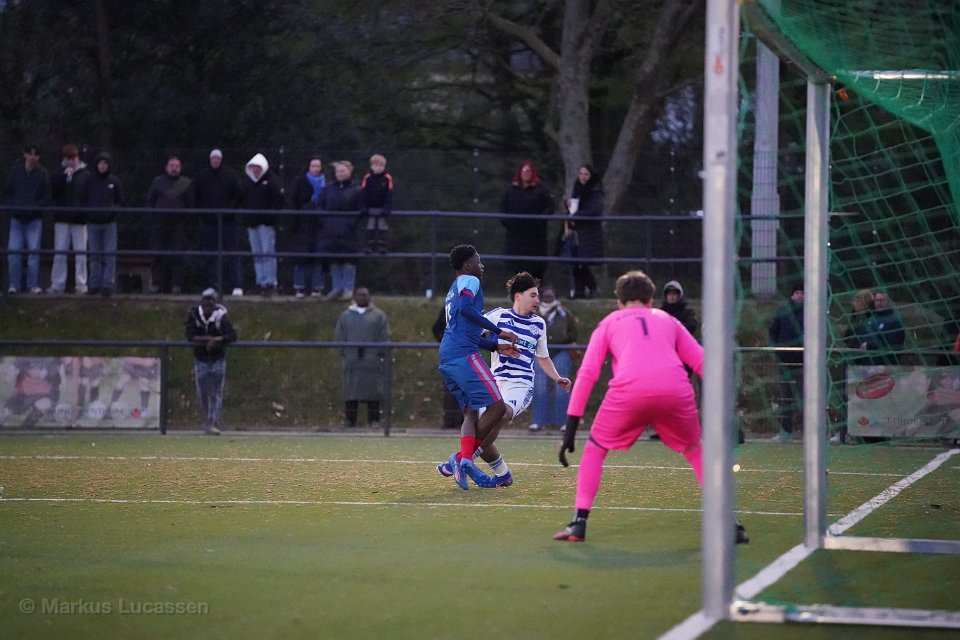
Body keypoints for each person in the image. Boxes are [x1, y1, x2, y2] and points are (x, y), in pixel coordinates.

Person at [553, 270, 748, 544]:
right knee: (696, 451)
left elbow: (587, 374)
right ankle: (730, 523)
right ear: (651, 300)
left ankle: (579, 523)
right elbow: (704, 363)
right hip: (676, 391)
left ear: (619, 301)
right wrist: (730, 413)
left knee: (595, 448)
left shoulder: (609, 323)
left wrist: (571, 428)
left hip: (628, 393)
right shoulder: (668, 320)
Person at [436, 272, 572, 487]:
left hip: (521, 384)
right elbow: (471, 334)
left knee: (503, 412)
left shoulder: (539, 324)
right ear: (518, 296)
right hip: (495, 380)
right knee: (484, 426)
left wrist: (557, 377)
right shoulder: (498, 316)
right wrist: (494, 346)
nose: (538, 300)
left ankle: (462, 459)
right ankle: (502, 474)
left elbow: (543, 357)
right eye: (533, 295)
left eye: (538, 296)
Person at [437, 244, 519, 490]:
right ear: (467, 265)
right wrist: (498, 331)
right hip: (463, 354)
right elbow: (466, 310)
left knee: (471, 412)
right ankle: (462, 459)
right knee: (497, 407)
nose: (481, 265)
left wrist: (494, 346)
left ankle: (463, 460)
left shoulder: (453, 288)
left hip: (447, 355)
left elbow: (462, 326)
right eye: (478, 260)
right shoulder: (470, 280)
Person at [333, 287, 390, 427]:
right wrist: (345, 353)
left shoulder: (378, 316)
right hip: (352, 360)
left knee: (373, 392)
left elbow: (384, 336)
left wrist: (379, 353)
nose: (362, 297)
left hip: (372, 360)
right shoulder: (345, 316)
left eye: (365, 295)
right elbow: (339, 337)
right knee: (351, 391)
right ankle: (350, 420)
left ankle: (374, 420)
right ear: (354, 297)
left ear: (369, 297)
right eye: (359, 295)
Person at [186, 288, 237, 435]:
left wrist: (217, 340)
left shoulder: (221, 316)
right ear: (201, 302)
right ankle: (207, 421)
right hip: (201, 360)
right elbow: (190, 336)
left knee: (216, 393)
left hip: (217, 359)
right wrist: (208, 339)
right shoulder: (194, 315)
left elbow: (232, 336)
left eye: (211, 301)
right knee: (203, 393)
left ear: (215, 303)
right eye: (206, 301)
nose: (208, 304)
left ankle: (214, 422)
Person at [192, 149, 244, 296]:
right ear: (210, 160)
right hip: (209, 222)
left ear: (221, 160)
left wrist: (230, 212)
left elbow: (238, 195)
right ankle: (212, 285)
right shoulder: (202, 176)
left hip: (227, 221)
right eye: (213, 158)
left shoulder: (230, 175)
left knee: (232, 253)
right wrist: (203, 213)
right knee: (210, 255)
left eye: (218, 158)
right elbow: (196, 196)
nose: (215, 161)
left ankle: (236, 285)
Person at [5, 145, 51, 294]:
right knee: (14, 254)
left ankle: (32, 285)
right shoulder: (16, 171)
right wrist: (14, 206)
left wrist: (36, 208)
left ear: (38, 157)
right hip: (17, 219)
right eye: (30, 154)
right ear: (25, 155)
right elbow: (8, 191)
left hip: (34, 220)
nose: (32, 157)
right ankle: (14, 285)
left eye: (35, 155)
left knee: (33, 254)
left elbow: (46, 196)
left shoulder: (42, 173)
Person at [76, 152, 123, 296]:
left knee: (109, 254)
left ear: (109, 165)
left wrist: (112, 212)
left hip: (109, 223)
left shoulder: (114, 181)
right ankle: (94, 284)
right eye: (100, 163)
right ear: (96, 165)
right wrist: (89, 213)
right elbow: (82, 198)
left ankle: (108, 285)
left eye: (105, 163)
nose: (102, 166)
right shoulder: (89, 180)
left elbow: (120, 201)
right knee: (94, 255)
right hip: (93, 223)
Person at [530, 284, 577, 431]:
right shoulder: (534, 313)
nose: (548, 298)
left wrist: (567, 342)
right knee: (539, 387)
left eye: (551, 296)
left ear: (555, 297)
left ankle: (562, 422)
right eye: (545, 296)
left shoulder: (564, 313)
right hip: (540, 352)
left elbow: (573, 333)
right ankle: (538, 421)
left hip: (561, 350)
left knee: (562, 386)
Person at [145, 155, 194, 294]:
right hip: (159, 224)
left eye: (177, 166)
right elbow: (150, 201)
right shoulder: (157, 182)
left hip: (178, 225)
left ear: (180, 168)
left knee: (177, 256)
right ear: (167, 167)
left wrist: (185, 221)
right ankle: (157, 284)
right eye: (172, 166)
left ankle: (176, 285)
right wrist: (153, 218)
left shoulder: (186, 183)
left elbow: (191, 204)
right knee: (157, 254)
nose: (174, 169)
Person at [500, 160, 554, 281]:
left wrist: (539, 220)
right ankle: (519, 288)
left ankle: (536, 287)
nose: (526, 173)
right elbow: (503, 208)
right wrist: (507, 222)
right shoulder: (511, 189)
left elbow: (550, 207)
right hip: (516, 234)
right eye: (523, 171)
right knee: (517, 265)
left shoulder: (541, 189)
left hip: (535, 234)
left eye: (528, 171)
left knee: (536, 265)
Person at [316, 160, 361, 301]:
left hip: (348, 231)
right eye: (338, 171)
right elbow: (320, 206)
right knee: (333, 259)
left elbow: (361, 209)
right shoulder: (328, 189)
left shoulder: (357, 189)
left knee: (348, 260)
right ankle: (337, 288)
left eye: (343, 171)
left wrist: (351, 223)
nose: (340, 174)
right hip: (330, 230)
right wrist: (325, 221)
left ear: (350, 172)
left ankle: (348, 289)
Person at [48, 144, 90, 295]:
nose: (71, 161)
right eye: (68, 158)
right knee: (60, 252)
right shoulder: (58, 173)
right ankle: (57, 285)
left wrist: (85, 212)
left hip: (80, 219)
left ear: (78, 157)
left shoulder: (86, 174)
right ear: (64, 158)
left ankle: (81, 285)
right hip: (62, 218)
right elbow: (53, 192)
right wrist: (63, 177)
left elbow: (88, 195)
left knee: (81, 253)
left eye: (74, 157)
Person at [241, 153, 284, 296]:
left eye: (258, 167)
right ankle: (260, 282)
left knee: (268, 253)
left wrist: (269, 218)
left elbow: (278, 201)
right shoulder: (248, 183)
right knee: (257, 254)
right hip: (252, 224)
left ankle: (270, 283)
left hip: (266, 224)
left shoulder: (272, 181)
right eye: (253, 167)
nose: (255, 170)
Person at [768, 282, 804, 443]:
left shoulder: (811, 312)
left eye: (802, 293)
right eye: (797, 293)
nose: (800, 296)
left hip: (804, 362)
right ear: (792, 295)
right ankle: (785, 431)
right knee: (785, 398)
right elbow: (773, 331)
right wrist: (776, 349)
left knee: (806, 397)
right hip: (784, 362)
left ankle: (809, 432)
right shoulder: (783, 311)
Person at [562, 164, 604, 299]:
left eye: (586, 174)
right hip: (576, 230)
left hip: (589, 231)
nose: (583, 177)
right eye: (581, 174)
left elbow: (594, 210)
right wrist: (568, 206)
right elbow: (575, 207)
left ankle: (592, 287)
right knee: (575, 261)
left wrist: (576, 215)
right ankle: (579, 290)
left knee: (582, 262)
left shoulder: (596, 191)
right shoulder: (577, 188)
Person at [286, 156, 326, 298]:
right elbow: (293, 202)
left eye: (318, 166)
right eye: (313, 166)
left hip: (319, 225)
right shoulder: (299, 182)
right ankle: (299, 287)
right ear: (308, 167)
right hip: (302, 225)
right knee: (300, 257)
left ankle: (317, 287)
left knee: (318, 257)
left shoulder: (326, 184)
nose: (315, 168)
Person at [432, 307, 462, 429]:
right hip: (464, 353)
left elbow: (435, 328)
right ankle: (460, 421)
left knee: (450, 388)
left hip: (450, 353)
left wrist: (444, 342)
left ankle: (449, 421)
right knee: (463, 388)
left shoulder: (447, 308)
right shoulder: (471, 308)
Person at [359, 154, 394, 254]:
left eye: (381, 165)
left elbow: (389, 194)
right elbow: (363, 193)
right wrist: (363, 207)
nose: (379, 168)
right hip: (370, 208)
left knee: (382, 226)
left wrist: (387, 208)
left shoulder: (387, 178)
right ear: (371, 166)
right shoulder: (367, 177)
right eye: (376, 165)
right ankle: (369, 246)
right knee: (370, 226)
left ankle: (383, 247)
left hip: (382, 208)